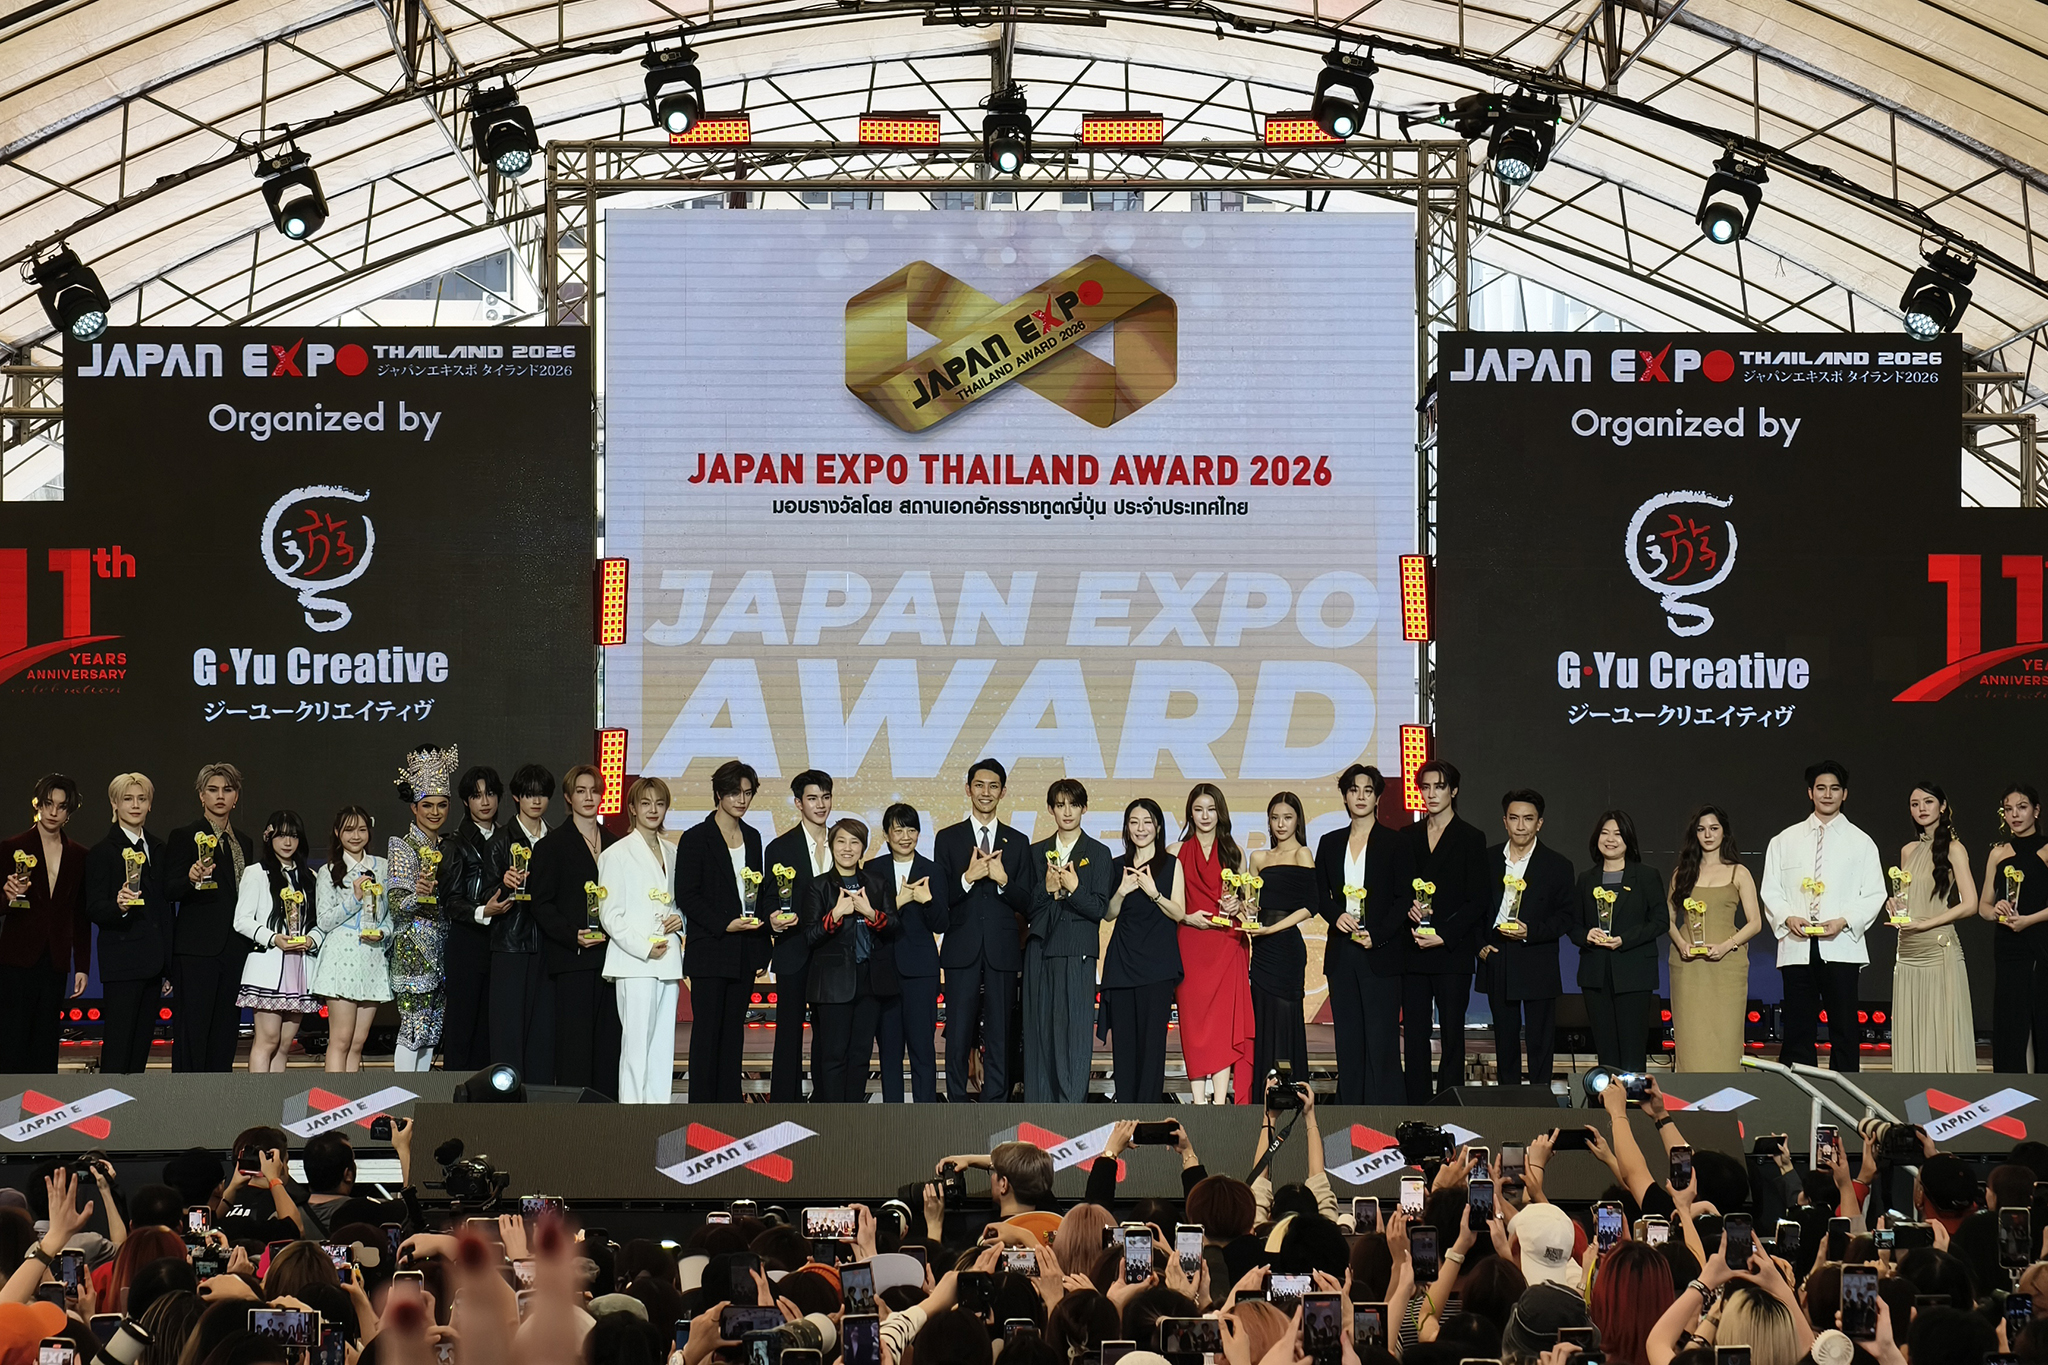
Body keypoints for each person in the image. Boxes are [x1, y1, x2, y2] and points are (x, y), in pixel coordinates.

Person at [1762, 760, 1886, 1072]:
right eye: (1821, 788)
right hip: (1797, 944)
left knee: (1844, 1027)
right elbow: (1771, 889)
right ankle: (1797, 1090)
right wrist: (1788, 917)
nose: (1827, 794)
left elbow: (1874, 893)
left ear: (1845, 794)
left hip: (1841, 945)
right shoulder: (1784, 840)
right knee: (1797, 1027)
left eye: (1834, 788)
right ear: (1810, 793)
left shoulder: (1861, 842)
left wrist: (1844, 921)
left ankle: (1845, 1090)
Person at [934, 759, 1031, 1102]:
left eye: (993, 786)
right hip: (962, 948)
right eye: (979, 785)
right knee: (958, 1033)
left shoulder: (1018, 841)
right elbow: (940, 899)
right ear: (968, 789)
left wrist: (1004, 881)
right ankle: (957, 1104)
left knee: (1000, 1035)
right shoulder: (948, 838)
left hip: (1003, 950)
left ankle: (996, 1105)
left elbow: (1029, 901)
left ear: (1003, 792)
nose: (985, 792)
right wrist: (967, 878)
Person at [1313, 763, 1407, 1104]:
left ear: (1378, 796)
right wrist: (1335, 915)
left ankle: (1384, 1116)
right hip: (1342, 954)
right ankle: (1349, 1115)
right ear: (1345, 797)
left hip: (1380, 954)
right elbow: (1318, 893)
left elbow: (1403, 899)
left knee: (1381, 1042)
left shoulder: (1395, 842)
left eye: (1368, 790)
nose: (1361, 797)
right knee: (1349, 1041)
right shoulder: (1330, 842)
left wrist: (1378, 935)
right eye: (1354, 790)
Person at [676, 759, 769, 1103]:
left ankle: (729, 1108)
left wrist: (761, 949)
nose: (741, 800)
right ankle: (702, 1109)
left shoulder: (753, 837)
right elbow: (687, 895)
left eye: (747, 793)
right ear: (718, 794)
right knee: (706, 1036)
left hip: (743, 950)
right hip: (710, 949)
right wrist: (723, 923)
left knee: (733, 1036)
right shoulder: (695, 838)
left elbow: (757, 894)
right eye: (734, 793)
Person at [388, 743, 484, 1073]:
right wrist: (417, 895)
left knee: (432, 1030)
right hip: (413, 950)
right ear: (413, 808)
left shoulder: (448, 846)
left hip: (443, 950)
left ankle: (421, 1096)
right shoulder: (402, 846)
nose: (435, 812)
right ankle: (402, 1094)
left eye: (442, 805)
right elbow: (396, 905)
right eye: (427, 805)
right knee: (412, 1028)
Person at [528, 763, 620, 1095]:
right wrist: (572, 935)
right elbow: (541, 904)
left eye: (594, 791)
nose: (588, 797)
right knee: (574, 1049)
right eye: (581, 791)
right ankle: (575, 1118)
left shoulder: (616, 844)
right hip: (573, 960)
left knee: (609, 1046)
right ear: (569, 797)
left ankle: (608, 1115)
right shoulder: (551, 846)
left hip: (612, 959)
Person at [1400, 760, 1488, 1101]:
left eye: (1439, 786)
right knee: (1415, 1034)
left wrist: (1445, 935)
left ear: (1454, 790)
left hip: (1452, 950)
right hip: (1414, 949)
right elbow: (1399, 890)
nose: (1432, 794)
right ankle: (1417, 1105)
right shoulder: (1407, 836)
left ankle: (1450, 1103)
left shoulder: (1471, 837)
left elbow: (1478, 899)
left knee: (1453, 1034)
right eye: (1426, 787)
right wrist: (1408, 908)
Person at [1023, 779, 1113, 1103]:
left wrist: (1074, 889)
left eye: (1073, 805)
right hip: (1040, 949)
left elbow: (1100, 909)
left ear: (1084, 808)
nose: (1067, 812)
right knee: (1039, 1033)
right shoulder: (1036, 852)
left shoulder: (1099, 853)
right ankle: (1040, 1114)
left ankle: (1072, 1111)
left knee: (1074, 1033)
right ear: (1050, 809)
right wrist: (1046, 889)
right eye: (1060, 805)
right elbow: (1026, 906)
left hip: (1077, 952)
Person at [1480, 788, 1575, 1088]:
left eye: (1528, 819)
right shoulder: (1487, 859)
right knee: (1504, 1040)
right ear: (1504, 821)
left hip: (1537, 957)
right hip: (1498, 956)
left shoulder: (1558, 865)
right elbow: (1473, 907)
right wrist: (1479, 945)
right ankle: (1508, 1102)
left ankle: (1539, 1101)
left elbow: (1566, 917)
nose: (1521, 826)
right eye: (1514, 818)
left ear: (1539, 823)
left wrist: (1531, 931)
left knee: (1540, 1041)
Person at [165, 762, 257, 1073]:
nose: (220, 796)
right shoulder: (184, 836)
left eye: (227, 790)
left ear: (236, 797)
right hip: (196, 951)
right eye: (213, 790)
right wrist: (190, 879)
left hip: (234, 950)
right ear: (201, 796)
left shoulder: (244, 842)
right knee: (193, 1033)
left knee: (225, 1033)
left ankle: (219, 1096)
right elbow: (168, 888)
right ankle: (189, 1097)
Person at [599, 777, 684, 1104]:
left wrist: (681, 920)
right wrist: (644, 946)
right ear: (632, 808)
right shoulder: (616, 854)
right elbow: (610, 914)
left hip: (669, 958)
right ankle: (633, 1115)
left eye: (659, 804)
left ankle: (658, 1113)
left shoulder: (673, 851)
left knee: (662, 1047)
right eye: (645, 803)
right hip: (634, 962)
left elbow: (678, 902)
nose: (653, 810)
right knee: (636, 1046)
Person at [804, 816, 898, 1102]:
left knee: (860, 1056)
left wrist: (870, 913)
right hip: (833, 985)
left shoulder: (877, 883)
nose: (847, 848)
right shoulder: (818, 886)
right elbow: (809, 936)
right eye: (841, 841)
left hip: (870, 982)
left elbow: (894, 926)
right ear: (831, 845)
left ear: (863, 848)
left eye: (854, 842)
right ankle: (834, 1119)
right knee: (833, 1056)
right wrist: (835, 914)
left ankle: (853, 1118)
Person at [0, 774, 89, 1073]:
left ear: (69, 811)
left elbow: (80, 914)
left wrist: (82, 966)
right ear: (37, 804)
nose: (53, 812)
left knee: (46, 1042)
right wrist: (7, 896)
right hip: (16, 959)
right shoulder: (11, 847)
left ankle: (39, 1102)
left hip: (55, 961)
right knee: (11, 1040)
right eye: (48, 804)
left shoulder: (79, 855)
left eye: (61, 807)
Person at [1173, 783, 1255, 1105]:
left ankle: (1220, 1103)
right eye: (1198, 809)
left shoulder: (1234, 852)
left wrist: (1239, 905)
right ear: (1190, 813)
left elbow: (1249, 906)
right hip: (1191, 944)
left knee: (1222, 1025)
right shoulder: (1176, 852)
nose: (1205, 816)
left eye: (1211, 809)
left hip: (1227, 944)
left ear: (1220, 812)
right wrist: (1187, 917)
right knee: (1193, 1024)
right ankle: (1197, 1101)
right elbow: (1173, 904)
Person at [84, 772, 170, 1074]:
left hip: (153, 965)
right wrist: (118, 906)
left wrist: (168, 966)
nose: (135, 805)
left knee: (140, 1049)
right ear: (114, 804)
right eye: (128, 799)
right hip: (122, 964)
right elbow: (93, 908)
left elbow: (164, 911)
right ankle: (111, 1102)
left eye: (141, 799)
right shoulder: (102, 852)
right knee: (118, 1048)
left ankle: (132, 1103)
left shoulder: (157, 848)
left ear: (150, 805)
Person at [1888, 782, 1978, 1071]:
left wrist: (1928, 923)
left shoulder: (1954, 848)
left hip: (1939, 951)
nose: (1921, 809)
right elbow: (1908, 897)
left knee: (1943, 1032)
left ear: (1942, 806)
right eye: (1915, 804)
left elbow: (1971, 904)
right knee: (1912, 1031)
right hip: (1908, 950)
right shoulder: (1908, 851)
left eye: (1928, 802)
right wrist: (1895, 905)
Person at [1570, 809, 1668, 1072]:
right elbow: (1573, 924)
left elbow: (1661, 921)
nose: (1610, 839)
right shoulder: (1586, 879)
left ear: (1628, 839)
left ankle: (1633, 1098)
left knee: (1633, 1049)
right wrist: (1586, 935)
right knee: (1605, 1050)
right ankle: (1608, 1096)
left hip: (1634, 973)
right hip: (1596, 975)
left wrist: (1624, 939)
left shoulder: (1646, 876)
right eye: (1605, 833)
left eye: (1617, 834)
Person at [1666, 805, 1762, 1073]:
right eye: (1701, 829)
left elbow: (1755, 922)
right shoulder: (1682, 873)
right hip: (1688, 966)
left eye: (1714, 828)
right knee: (1690, 1037)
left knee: (1726, 1037)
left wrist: (1726, 946)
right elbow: (1666, 918)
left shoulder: (1738, 872)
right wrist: (1681, 944)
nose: (1707, 835)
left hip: (1726, 964)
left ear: (1724, 832)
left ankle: (1726, 1096)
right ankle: (1689, 1097)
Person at [1102, 797, 1184, 1105]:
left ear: (1158, 827)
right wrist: (1122, 891)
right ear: (1127, 828)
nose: (1140, 828)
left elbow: (1179, 913)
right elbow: (1108, 914)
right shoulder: (1116, 865)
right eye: (1134, 822)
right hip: (1122, 964)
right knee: (1124, 1048)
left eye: (1147, 822)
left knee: (1152, 1048)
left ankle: (1148, 1113)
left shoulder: (1171, 864)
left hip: (1158, 966)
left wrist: (1154, 894)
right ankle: (1125, 1113)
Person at [764, 770, 834, 1103]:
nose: (820, 805)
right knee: (788, 1032)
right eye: (812, 798)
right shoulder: (780, 847)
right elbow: (768, 898)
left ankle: (826, 1102)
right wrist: (772, 919)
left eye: (825, 797)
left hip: (833, 953)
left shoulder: (843, 841)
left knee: (829, 1033)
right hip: (793, 949)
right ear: (797, 803)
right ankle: (784, 1104)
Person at [871, 803, 948, 1103]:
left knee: (922, 1050)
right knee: (889, 1052)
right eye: (898, 830)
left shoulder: (933, 870)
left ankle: (924, 1116)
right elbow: (870, 921)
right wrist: (898, 902)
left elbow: (941, 924)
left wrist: (927, 901)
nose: (905, 837)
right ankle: (893, 1118)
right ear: (886, 834)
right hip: (884, 971)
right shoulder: (872, 870)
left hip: (921, 972)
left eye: (912, 830)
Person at [233, 810, 320, 1073]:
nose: (287, 842)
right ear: (269, 838)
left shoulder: (310, 877)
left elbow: (320, 921)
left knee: (284, 1044)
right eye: (281, 836)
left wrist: (312, 940)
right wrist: (273, 938)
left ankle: (277, 1097)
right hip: (269, 966)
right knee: (268, 1040)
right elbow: (242, 920)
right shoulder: (256, 873)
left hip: (300, 967)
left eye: (293, 836)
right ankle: (259, 1097)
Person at [487, 764, 557, 1083]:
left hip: (546, 944)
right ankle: (507, 1095)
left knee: (543, 1030)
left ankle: (539, 1097)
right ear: (516, 797)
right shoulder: (500, 840)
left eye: (541, 794)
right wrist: (503, 884)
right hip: (510, 943)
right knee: (508, 1030)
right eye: (529, 794)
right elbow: (484, 893)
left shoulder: (555, 839)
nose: (536, 801)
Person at [310, 805, 393, 1072]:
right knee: (341, 1039)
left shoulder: (383, 867)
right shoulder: (329, 871)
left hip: (371, 957)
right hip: (341, 958)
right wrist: (355, 898)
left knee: (358, 1042)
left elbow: (390, 915)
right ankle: (334, 1097)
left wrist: (384, 932)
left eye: (361, 829)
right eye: (348, 830)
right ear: (337, 832)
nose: (355, 836)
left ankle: (352, 1097)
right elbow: (324, 921)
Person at [1247, 792, 1314, 1090]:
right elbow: (1251, 905)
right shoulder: (1258, 858)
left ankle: (1292, 1093)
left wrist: (1272, 929)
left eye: (1287, 817)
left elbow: (1311, 906)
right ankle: (1264, 1094)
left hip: (1286, 947)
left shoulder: (1303, 854)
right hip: (1262, 950)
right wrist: (1242, 911)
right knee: (1263, 1020)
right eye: (1275, 818)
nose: (1281, 824)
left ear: (1298, 820)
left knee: (1286, 1020)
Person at [1982, 783, 2048, 1072]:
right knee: (2009, 1021)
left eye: (2022, 808)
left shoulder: (2046, 849)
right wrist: (1997, 910)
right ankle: (2009, 1086)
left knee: (2041, 1019)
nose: (2015, 815)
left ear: (2036, 810)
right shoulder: (1998, 853)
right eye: (2008, 809)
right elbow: (1983, 906)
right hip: (2008, 945)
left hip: (2039, 943)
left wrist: (2029, 920)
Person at [444, 765, 504, 1073]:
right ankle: (456, 1092)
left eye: (490, 794)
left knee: (492, 1027)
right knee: (463, 1025)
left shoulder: (508, 839)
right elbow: (451, 902)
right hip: (467, 941)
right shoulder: (455, 844)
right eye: (477, 795)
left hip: (501, 941)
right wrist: (482, 912)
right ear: (466, 802)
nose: (485, 801)